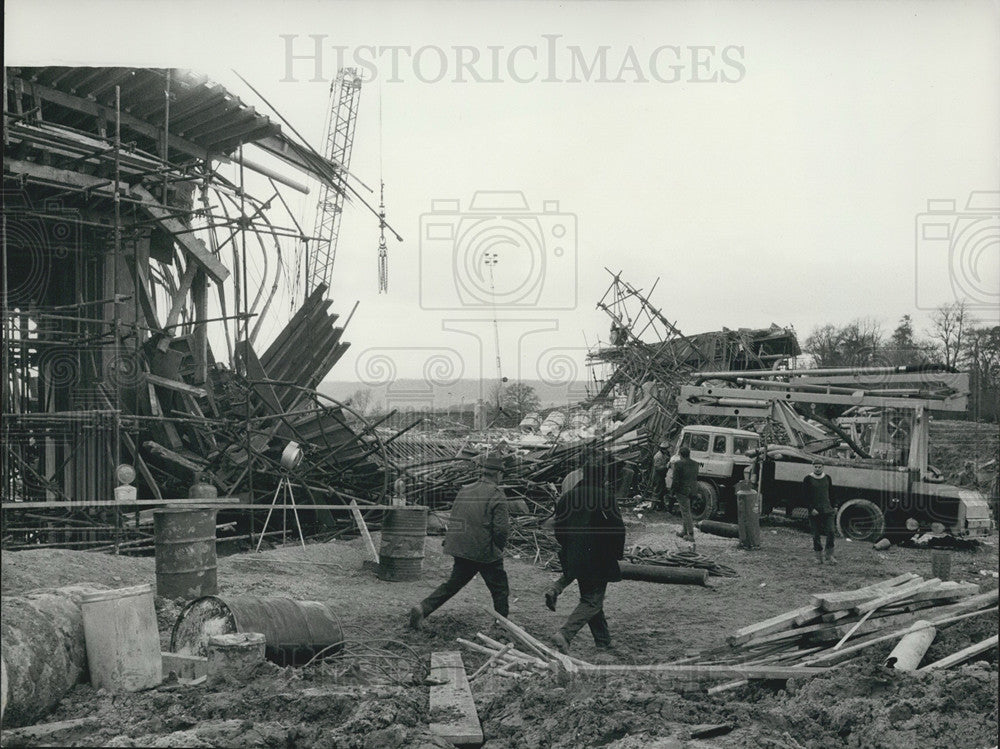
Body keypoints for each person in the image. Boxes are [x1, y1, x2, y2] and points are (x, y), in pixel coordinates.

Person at [408, 454, 510, 629]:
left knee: (453, 584)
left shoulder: (465, 489)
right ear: (497, 474)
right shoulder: (497, 495)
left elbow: (456, 517)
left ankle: (423, 607)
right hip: (483, 550)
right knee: (500, 588)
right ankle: (502, 625)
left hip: (460, 546)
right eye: (502, 475)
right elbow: (501, 530)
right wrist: (500, 548)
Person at [551, 452, 626, 653]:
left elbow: (559, 528)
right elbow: (617, 529)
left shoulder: (568, 497)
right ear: (602, 476)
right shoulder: (605, 497)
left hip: (574, 556)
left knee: (591, 597)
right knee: (593, 600)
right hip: (599, 558)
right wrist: (616, 555)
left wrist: (569, 548)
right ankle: (565, 634)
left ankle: (603, 641)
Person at [803, 460, 836, 565]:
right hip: (814, 511)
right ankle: (818, 557)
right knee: (816, 534)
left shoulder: (827, 478)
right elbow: (805, 496)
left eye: (819, 467)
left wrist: (834, 506)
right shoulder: (808, 479)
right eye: (816, 467)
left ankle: (829, 555)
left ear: (823, 467)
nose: (817, 468)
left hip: (827, 510)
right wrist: (811, 508)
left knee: (831, 531)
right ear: (813, 467)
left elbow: (831, 493)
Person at [670, 446, 700, 541]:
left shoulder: (678, 464)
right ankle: (684, 531)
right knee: (686, 510)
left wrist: (672, 491)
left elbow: (676, 480)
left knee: (686, 512)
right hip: (693, 490)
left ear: (680, 455)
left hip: (682, 491)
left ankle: (690, 534)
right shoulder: (695, 464)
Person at [649, 441, 671, 510]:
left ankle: (661, 506)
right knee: (656, 491)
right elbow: (658, 468)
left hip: (662, 476)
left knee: (662, 491)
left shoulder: (666, 454)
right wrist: (666, 466)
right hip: (657, 476)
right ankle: (652, 507)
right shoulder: (658, 456)